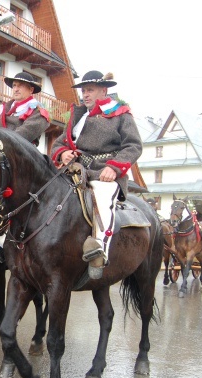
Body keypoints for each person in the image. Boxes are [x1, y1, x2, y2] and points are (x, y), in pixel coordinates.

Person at [50, 70, 142, 279]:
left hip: (105, 173)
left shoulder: (121, 113)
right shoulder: (78, 115)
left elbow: (134, 146)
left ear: (104, 90)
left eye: (90, 90)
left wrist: (114, 168)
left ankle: (99, 250)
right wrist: (63, 153)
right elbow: (59, 143)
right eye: (83, 90)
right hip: (75, 170)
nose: (85, 95)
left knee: (100, 195)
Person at [0, 72, 50, 145]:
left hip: (22, 153)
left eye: (20, 86)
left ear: (31, 90)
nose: (16, 89)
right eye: (14, 85)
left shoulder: (38, 112)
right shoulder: (2, 109)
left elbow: (21, 136)